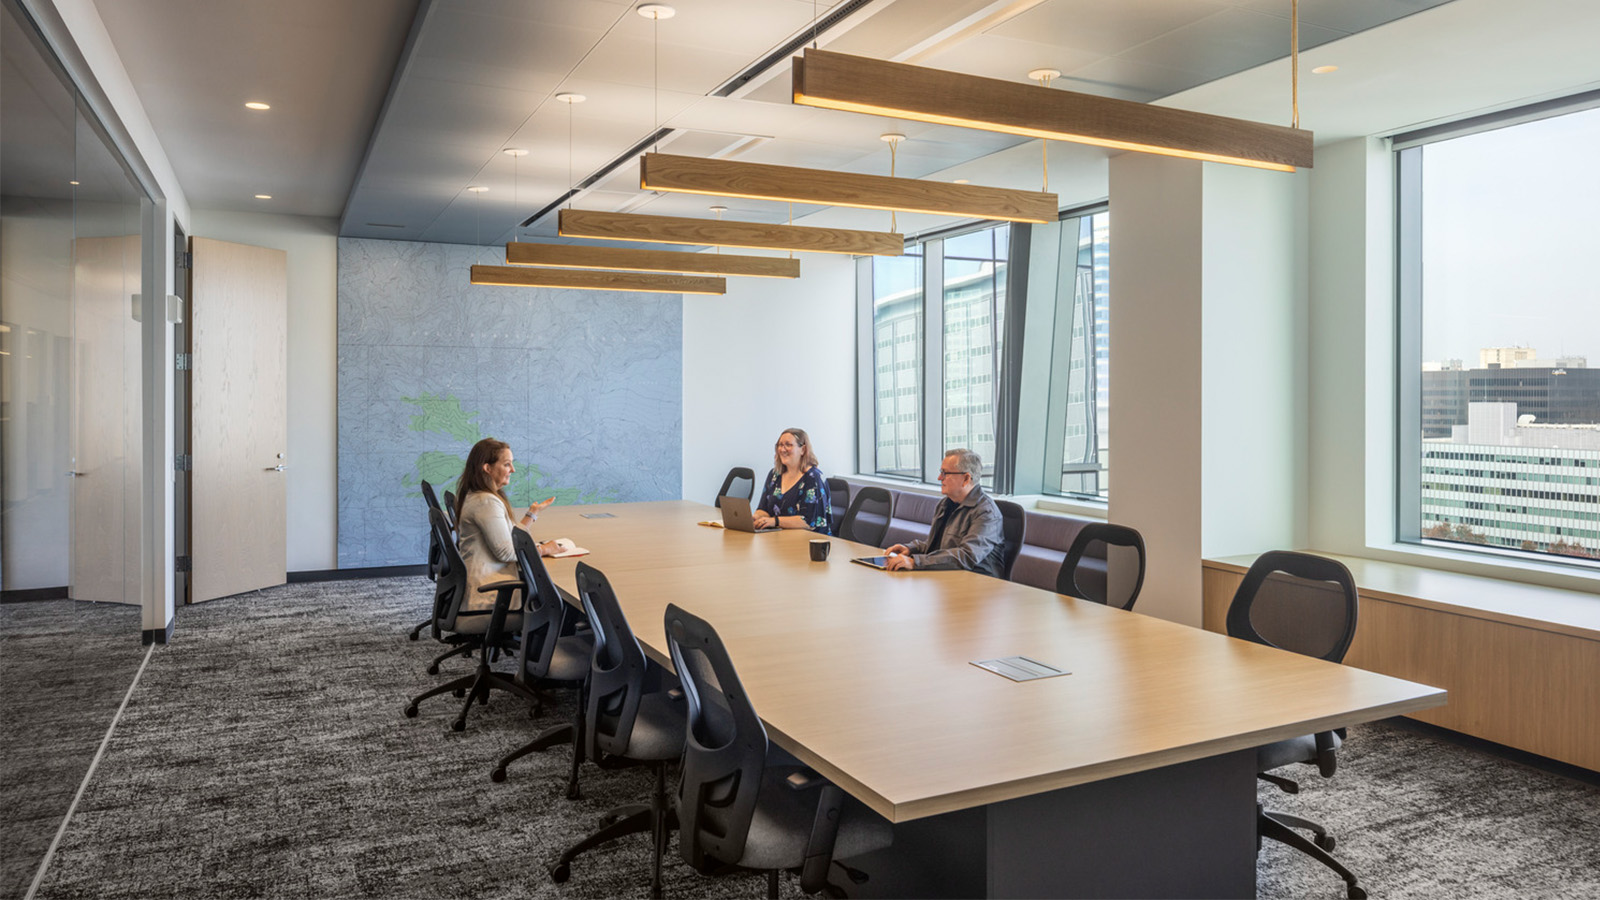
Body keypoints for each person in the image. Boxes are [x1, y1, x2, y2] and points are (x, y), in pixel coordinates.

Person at [452, 438, 559, 610]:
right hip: (489, 595)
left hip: (484, 586)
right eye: (507, 464)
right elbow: (506, 552)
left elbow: (508, 536)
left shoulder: (479, 496)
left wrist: (532, 514)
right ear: (487, 468)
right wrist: (545, 549)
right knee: (554, 603)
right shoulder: (486, 502)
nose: (513, 470)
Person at [883, 448, 1004, 576]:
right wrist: (911, 549)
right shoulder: (945, 504)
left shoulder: (987, 512)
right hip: (947, 574)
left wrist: (915, 562)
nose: (939, 478)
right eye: (941, 472)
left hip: (977, 580)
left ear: (966, 478)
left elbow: (967, 556)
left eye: (945, 473)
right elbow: (937, 546)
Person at [751, 427, 831, 534]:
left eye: (788, 445)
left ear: (803, 449)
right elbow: (764, 509)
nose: (782, 449)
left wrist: (775, 521)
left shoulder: (813, 477)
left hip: (808, 539)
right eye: (780, 445)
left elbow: (808, 522)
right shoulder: (774, 475)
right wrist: (755, 517)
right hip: (779, 537)